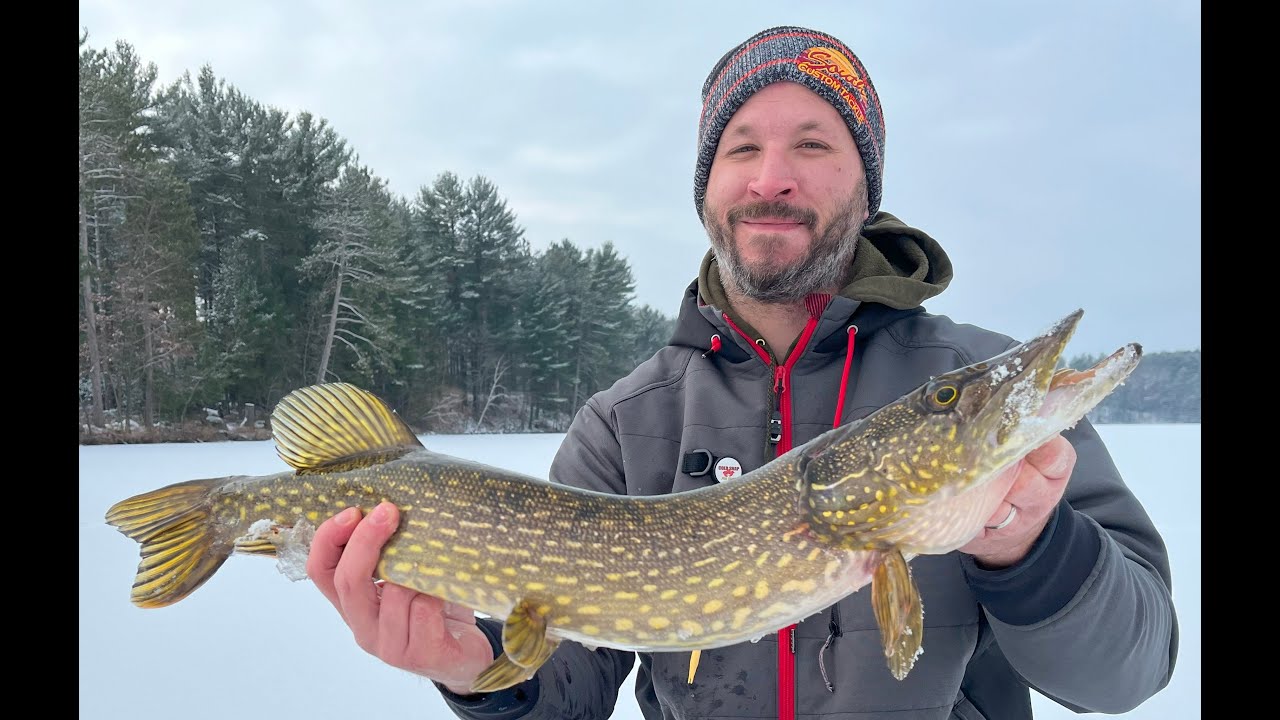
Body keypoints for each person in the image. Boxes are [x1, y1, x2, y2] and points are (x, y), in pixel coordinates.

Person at [306, 25, 1178, 720]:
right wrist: (475, 672)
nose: (773, 179)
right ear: (708, 187)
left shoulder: (969, 375)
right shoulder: (625, 422)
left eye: (813, 144)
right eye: (741, 149)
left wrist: (1033, 547)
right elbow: (563, 688)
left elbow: (1129, 674)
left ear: (865, 186)